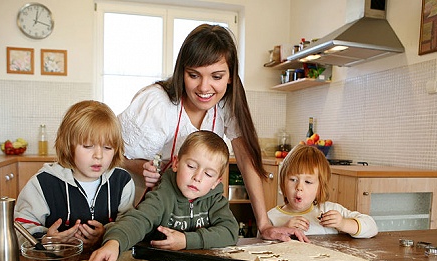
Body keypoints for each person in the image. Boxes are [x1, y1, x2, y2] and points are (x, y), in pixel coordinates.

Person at [117, 23, 307, 242]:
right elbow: (110, 157)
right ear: (182, 72)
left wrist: (264, 224)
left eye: (216, 77)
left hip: (188, 217)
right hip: (141, 209)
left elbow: (246, 160)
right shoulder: (158, 104)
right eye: (194, 75)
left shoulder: (227, 102)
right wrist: (139, 167)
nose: (204, 87)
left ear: (230, 76)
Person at [86, 130, 239, 261]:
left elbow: (230, 232)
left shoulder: (215, 200)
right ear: (176, 163)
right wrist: (114, 243)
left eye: (208, 174)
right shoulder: (162, 195)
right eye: (191, 166)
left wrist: (186, 240)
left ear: (216, 182)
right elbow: (138, 220)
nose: (197, 177)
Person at [14, 100, 135, 250]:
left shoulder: (122, 182)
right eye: (88, 146)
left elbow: (129, 225)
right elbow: (20, 228)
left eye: (107, 147)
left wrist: (107, 235)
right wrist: (45, 240)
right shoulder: (43, 183)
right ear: (68, 145)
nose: (98, 155)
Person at [267, 144, 378, 238]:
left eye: (308, 182)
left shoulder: (330, 210)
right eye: (293, 180)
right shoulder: (272, 218)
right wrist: (284, 230)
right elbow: (259, 248)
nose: (299, 187)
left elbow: (372, 227)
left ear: (320, 188)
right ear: (282, 183)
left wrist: (343, 224)